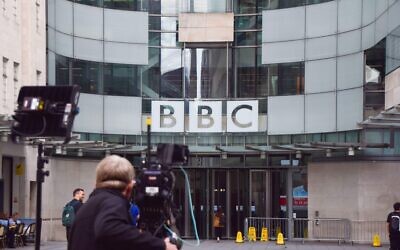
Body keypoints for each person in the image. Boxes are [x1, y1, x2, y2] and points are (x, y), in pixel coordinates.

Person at [68, 155, 177, 250]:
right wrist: (160, 245)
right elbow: (108, 228)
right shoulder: (113, 202)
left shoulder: (89, 206)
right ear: (130, 187)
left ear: (96, 183)